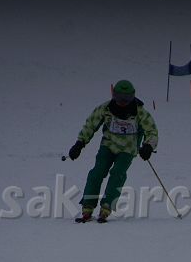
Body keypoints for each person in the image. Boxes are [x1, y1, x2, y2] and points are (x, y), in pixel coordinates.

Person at [68, 79, 158, 223]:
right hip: (108, 146)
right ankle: (87, 206)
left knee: (117, 174)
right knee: (97, 172)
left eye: (127, 99)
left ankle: (107, 206)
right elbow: (90, 124)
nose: (122, 102)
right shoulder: (106, 109)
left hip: (128, 149)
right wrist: (79, 144)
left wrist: (148, 146)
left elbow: (151, 131)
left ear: (133, 97)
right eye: (119, 98)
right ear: (113, 95)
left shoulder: (139, 112)